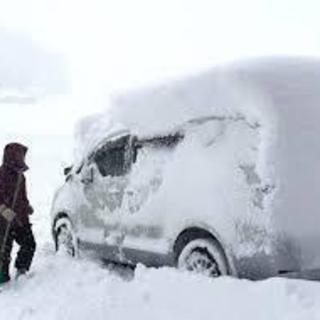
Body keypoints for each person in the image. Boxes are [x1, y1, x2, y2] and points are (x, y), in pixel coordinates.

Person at [0, 143, 36, 283]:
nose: (23, 158)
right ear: (12, 156)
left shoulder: (21, 176)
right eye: (20, 155)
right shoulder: (1, 174)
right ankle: (2, 278)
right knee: (4, 251)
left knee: (29, 244)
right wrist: (3, 210)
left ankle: (21, 270)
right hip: (3, 222)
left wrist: (27, 206)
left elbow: (22, 196)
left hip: (20, 219)